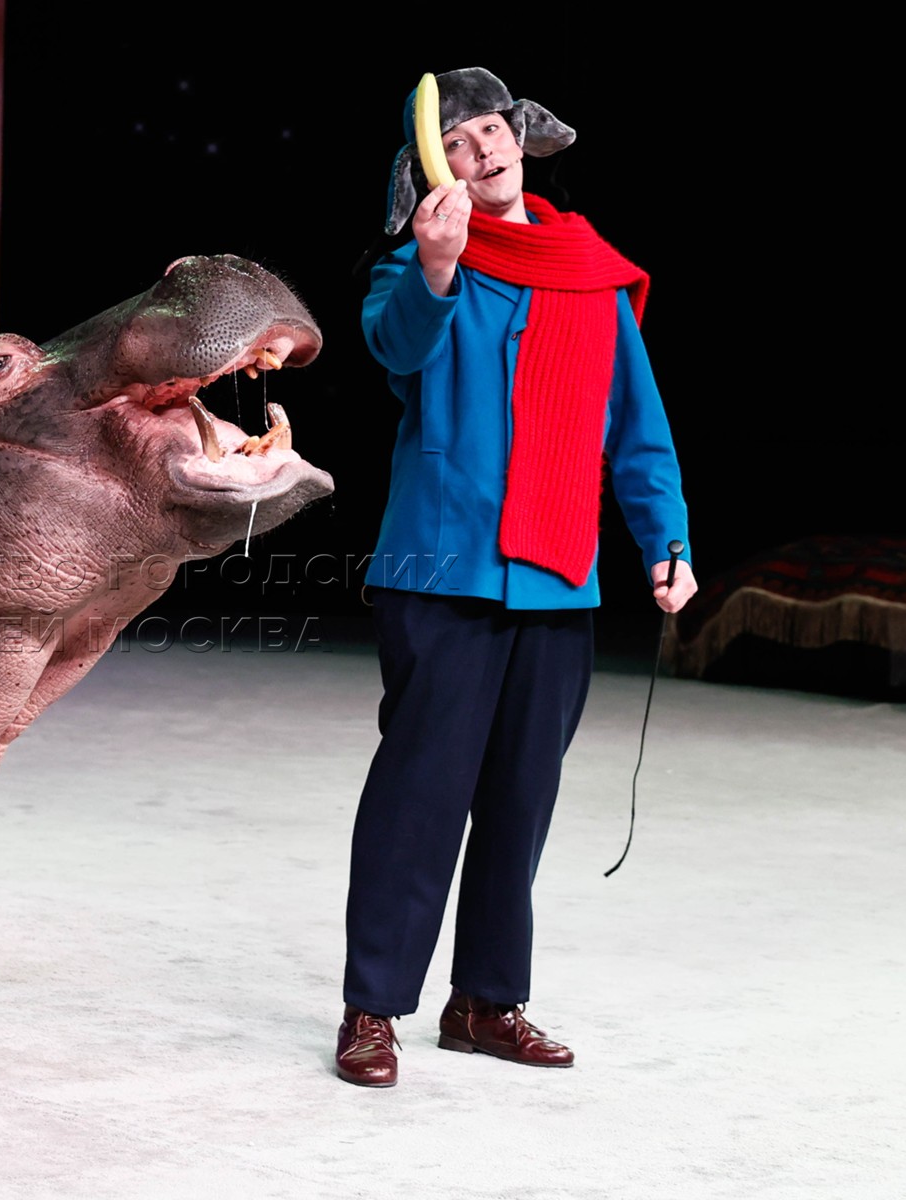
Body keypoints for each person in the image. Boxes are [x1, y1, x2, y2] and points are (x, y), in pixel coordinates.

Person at [335, 67, 698, 1088]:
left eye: (491, 130)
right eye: (455, 144)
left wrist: (663, 540)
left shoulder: (585, 270)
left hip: (555, 577)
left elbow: (635, 426)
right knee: (419, 797)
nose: (481, 150)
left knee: (519, 798)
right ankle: (371, 1007)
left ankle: (487, 1002)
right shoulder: (418, 265)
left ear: (521, 138)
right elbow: (393, 350)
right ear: (433, 173)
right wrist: (436, 266)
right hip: (441, 570)